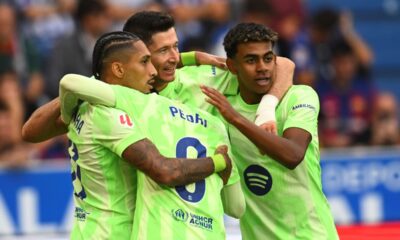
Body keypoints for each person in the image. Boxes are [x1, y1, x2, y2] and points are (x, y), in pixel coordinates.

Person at [54, 31, 242, 239]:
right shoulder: (109, 114)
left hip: (87, 229)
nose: (153, 71)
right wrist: (218, 163)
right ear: (118, 69)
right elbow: (164, 170)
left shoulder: (82, 107)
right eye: (145, 62)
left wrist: (67, 115)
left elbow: (33, 128)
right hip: (113, 233)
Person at [200, 23, 338, 239]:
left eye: (267, 58)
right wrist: (193, 56)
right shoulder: (222, 105)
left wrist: (237, 117)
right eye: (250, 60)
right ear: (232, 66)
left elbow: (293, 154)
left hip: (310, 235)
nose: (262, 67)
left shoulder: (299, 96)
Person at [122, 11, 295, 132]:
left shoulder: (204, 78)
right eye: (163, 50)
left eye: (175, 46)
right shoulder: (118, 92)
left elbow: (284, 65)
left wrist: (266, 110)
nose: (174, 57)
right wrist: (193, 56)